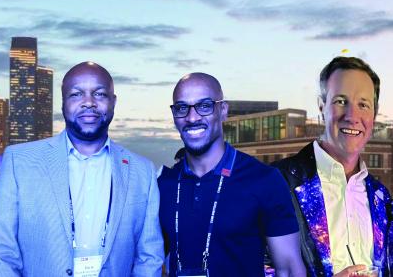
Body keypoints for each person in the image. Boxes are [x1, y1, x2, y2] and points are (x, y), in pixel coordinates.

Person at [0, 61, 164, 276]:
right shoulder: (19, 161)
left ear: (113, 102)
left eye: (100, 94)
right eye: (76, 94)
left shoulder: (142, 171)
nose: (89, 103)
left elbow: (149, 256)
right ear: (63, 103)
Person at [158, 73, 306, 276]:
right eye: (182, 108)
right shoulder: (162, 185)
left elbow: (289, 269)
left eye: (204, 105)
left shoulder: (264, 180)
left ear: (223, 110)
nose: (192, 117)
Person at [272, 57, 391, 276]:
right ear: (321, 106)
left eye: (363, 104)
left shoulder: (381, 197)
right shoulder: (276, 183)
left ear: (374, 114)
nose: (352, 116)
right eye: (340, 101)